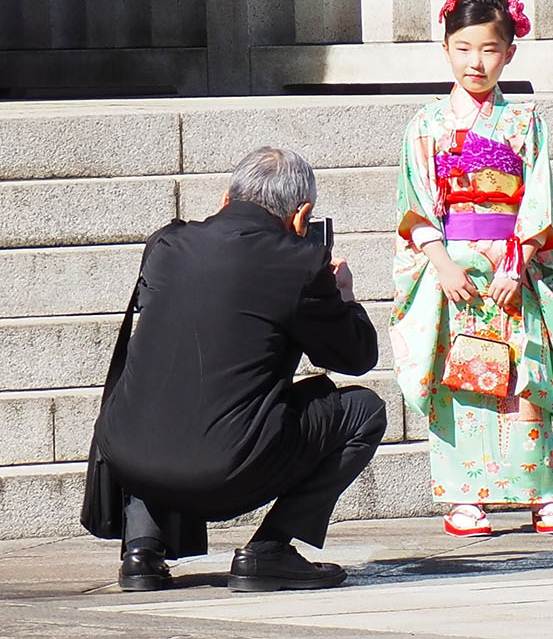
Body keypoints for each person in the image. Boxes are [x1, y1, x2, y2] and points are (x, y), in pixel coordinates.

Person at [91, 146, 384, 593]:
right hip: (225, 470)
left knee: (165, 391)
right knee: (364, 411)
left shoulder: (166, 243)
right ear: (301, 215)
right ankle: (269, 551)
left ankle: (141, 552)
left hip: (127, 454)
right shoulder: (300, 263)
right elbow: (356, 358)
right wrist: (342, 294)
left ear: (226, 199)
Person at [391, 0, 553, 539]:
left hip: (511, 265)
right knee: (462, 374)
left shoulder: (526, 123)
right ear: (446, 47)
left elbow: (538, 199)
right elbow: (414, 200)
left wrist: (517, 260)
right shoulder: (426, 124)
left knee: (524, 373)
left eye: (490, 48)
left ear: (509, 52)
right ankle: (463, 496)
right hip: (451, 265)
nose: (477, 62)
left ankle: (539, 492)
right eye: (465, 47)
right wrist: (440, 262)